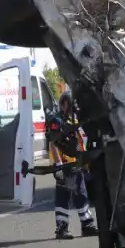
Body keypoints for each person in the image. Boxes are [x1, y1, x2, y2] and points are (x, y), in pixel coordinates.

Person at [46, 91, 98, 240]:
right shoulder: (57, 120)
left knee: (81, 195)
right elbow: (53, 143)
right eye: (71, 104)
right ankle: (62, 227)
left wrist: (85, 162)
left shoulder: (73, 119)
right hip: (64, 165)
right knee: (63, 196)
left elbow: (81, 141)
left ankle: (86, 225)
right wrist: (59, 163)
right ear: (65, 104)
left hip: (75, 163)